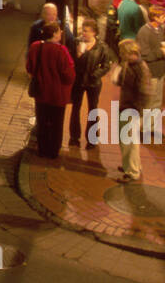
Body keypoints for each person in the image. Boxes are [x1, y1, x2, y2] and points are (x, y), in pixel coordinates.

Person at [26, 22, 75, 159]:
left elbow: (29, 67)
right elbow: (69, 74)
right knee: (56, 124)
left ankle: (42, 149)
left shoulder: (36, 47)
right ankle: (53, 151)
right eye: (59, 31)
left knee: (42, 121)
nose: (61, 33)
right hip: (57, 95)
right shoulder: (61, 51)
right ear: (54, 34)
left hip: (41, 92)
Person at [70, 19, 116, 149]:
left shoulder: (102, 46)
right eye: (83, 30)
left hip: (93, 82)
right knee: (75, 108)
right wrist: (78, 54)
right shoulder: (77, 42)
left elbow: (106, 65)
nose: (83, 33)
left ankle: (92, 139)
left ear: (94, 32)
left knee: (93, 110)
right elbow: (70, 61)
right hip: (78, 81)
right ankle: (74, 137)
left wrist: (95, 74)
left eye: (86, 31)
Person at [115, 39, 152, 182]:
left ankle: (132, 172)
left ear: (131, 53)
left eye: (122, 52)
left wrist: (138, 111)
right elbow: (120, 82)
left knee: (130, 142)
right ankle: (130, 165)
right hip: (125, 106)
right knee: (125, 140)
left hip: (133, 109)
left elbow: (145, 92)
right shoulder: (127, 65)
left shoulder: (141, 68)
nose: (121, 55)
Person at [137, 5, 165, 140]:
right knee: (148, 102)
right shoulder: (144, 32)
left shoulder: (161, 30)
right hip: (150, 72)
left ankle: (151, 127)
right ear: (155, 17)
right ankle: (142, 129)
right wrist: (160, 52)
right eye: (163, 16)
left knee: (157, 101)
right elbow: (144, 54)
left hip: (160, 71)